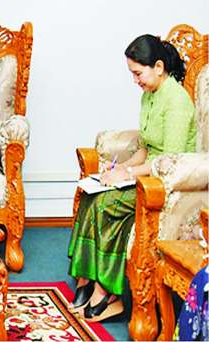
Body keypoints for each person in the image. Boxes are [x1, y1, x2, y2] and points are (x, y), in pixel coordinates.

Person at [68, 34, 197, 322]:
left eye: (138, 73)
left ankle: (108, 292)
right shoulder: (149, 95)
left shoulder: (177, 101)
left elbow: (168, 161)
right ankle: (86, 278)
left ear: (159, 67)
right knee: (91, 196)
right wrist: (118, 169)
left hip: (166, 184)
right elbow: (145, 149)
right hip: (147, 173)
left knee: (108, 204)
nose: (135, 80)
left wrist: (127, 173)